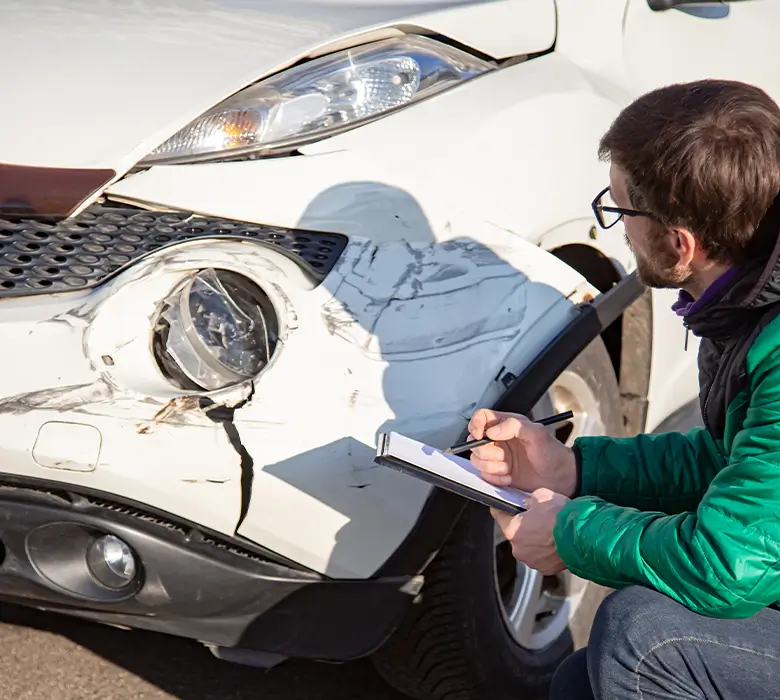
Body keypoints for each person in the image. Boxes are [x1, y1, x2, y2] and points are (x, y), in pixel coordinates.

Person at [467, 78, 780, 700]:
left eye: (619, 212)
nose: (615, 231)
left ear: (681, 242)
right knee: (583, 681)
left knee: (644, 639)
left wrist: (569, 532)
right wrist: (572, 469)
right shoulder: (748, 302)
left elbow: (729, 567)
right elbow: (734, 465)